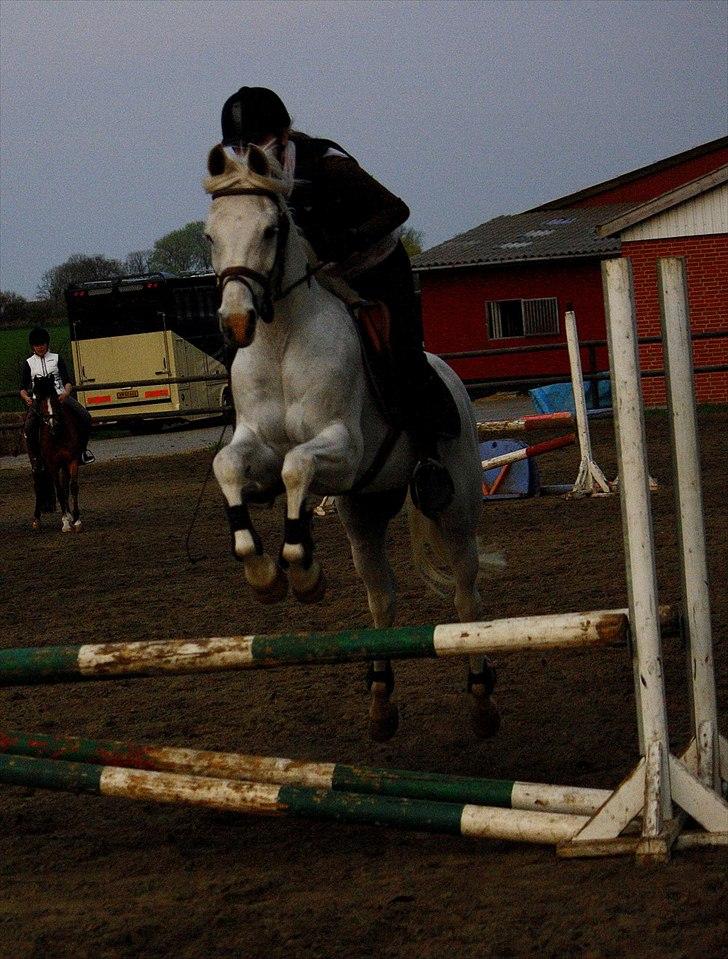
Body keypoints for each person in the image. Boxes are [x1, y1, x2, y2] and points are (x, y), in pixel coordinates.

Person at [219, 86, 460, 517]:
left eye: (253, 143)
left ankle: (428, 457)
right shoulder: (252, 187)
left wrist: (342, 241)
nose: (246, 153)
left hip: (376, 270)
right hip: (319, 278)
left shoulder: (328, 165)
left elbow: (396, 209)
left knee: (399, 354)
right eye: (238, 146)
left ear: (283, 134)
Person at [20, 327, 95, 472]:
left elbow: (67, 381)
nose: (40, 347)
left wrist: (66, 393)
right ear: (33, 347)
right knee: (28, 428)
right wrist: (26, 397)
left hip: (60, 396)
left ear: (47, 344)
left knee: (85, 416)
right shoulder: (29, 363)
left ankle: (83, 452)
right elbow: (23, 387)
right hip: (39, 400)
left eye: (42, 344)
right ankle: (36, 459)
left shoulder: (57, 358)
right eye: (37, 345)